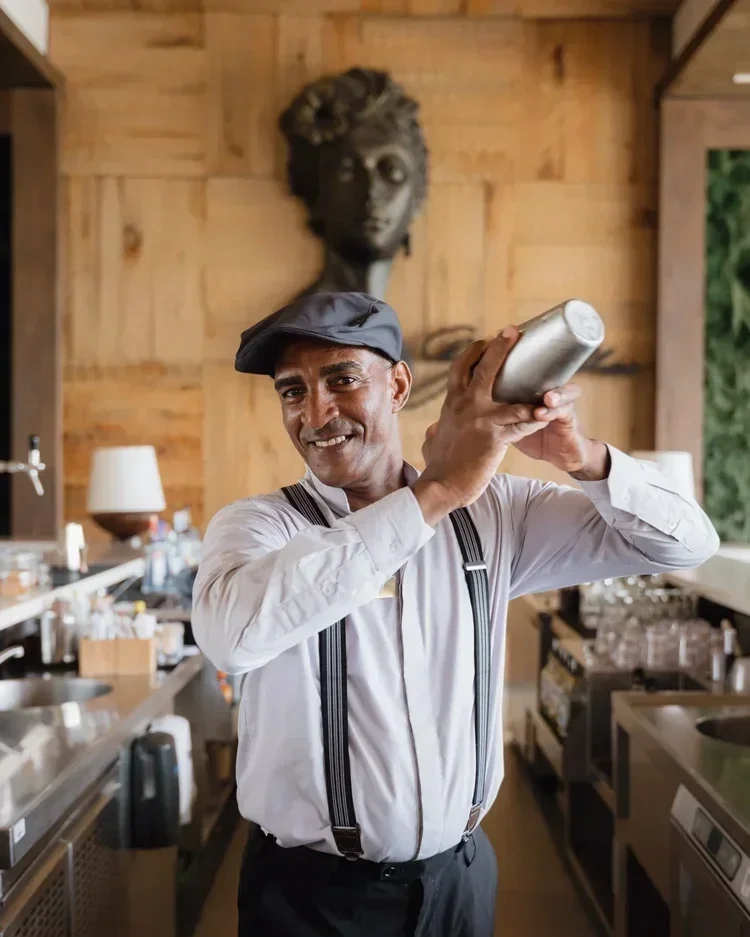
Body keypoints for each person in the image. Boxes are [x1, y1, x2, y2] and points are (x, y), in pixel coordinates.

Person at [192, 292, 719, 937]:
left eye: (342, 379)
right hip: (309, 901)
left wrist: (581, 458)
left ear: (399, 384)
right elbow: (231, 638)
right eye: (292, 392)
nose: (316, 412)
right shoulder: (258, 526)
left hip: (459, 885)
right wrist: (435, 491)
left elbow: (688, 542)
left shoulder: (494, 514)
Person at [279, 68, 428, 301]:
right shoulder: (298, 332)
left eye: (391, 170)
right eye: (347, 170)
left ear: (418, 193)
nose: (371, 191)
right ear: (315, 191)